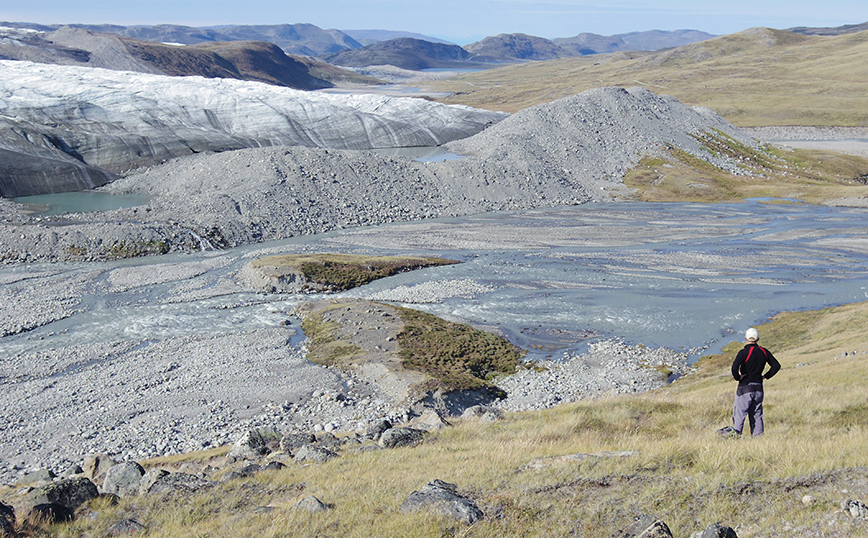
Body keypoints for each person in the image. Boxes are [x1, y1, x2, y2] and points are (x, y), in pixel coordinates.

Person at [730, 327, 780, 436]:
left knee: (740, 415)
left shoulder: (743, 352)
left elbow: (734, 368)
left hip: (745, 388)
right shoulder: (764, 351)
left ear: (745, 338)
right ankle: (758, 440)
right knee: (757, 415)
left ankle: (736, 437)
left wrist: (738, 378)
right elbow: (776, 366)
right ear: (758, 339)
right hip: (758, 388)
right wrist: (765, 376)